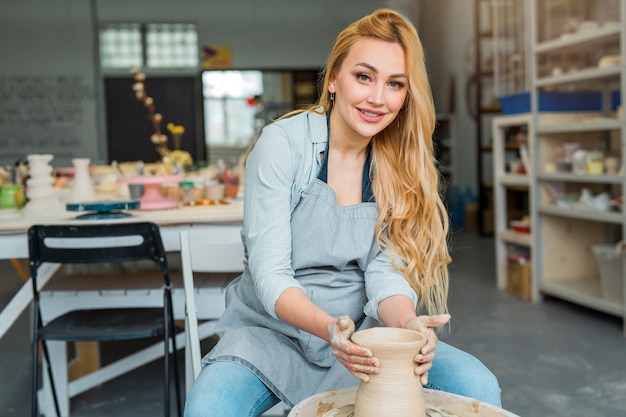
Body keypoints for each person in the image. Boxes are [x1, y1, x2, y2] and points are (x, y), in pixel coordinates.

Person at [184, 8, 501, 416]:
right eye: (363, 76)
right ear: (333, 78)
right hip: (269, 334)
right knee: (206, 410)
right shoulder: (284, 145)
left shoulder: (396, 162)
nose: (377, 98)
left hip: (363, 335)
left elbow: (385, 271)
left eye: (395, 84)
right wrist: (330, 330)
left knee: (478, 386)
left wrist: (406, 327)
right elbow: (270, 275)